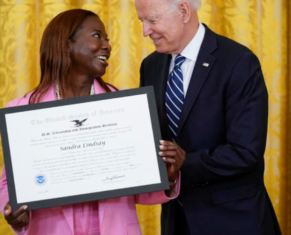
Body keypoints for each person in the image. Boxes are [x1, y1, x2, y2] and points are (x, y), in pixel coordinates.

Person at [0, 9, 183, 235]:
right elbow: (11, 183)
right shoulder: (22, 110)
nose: (107, 46)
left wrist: (169, 176)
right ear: (66, 43)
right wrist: (15, 213)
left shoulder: (126, 107)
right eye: (97, 36)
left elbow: (140, 185)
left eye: (108, 39)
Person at [135, 0, 282, 234]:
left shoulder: (238, 62)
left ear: (183, 11)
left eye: (152, 20)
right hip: (177, 221)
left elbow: (246, 152)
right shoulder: (150, 66)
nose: (145, 31)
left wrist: (185, 163)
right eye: (141, 21)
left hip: (233, 220)